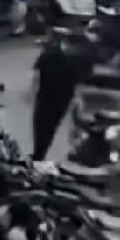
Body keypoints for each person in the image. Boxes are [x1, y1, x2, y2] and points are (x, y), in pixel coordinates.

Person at [31, 32, 88, 162]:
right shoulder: (52, 55)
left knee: (47, 127)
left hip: (57, 98)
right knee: (44, 127)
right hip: (51, 97)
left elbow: (79, 82)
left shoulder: (75, 59)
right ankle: (39, 153)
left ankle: (39, 154)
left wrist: (77, 100)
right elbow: (37, 73)